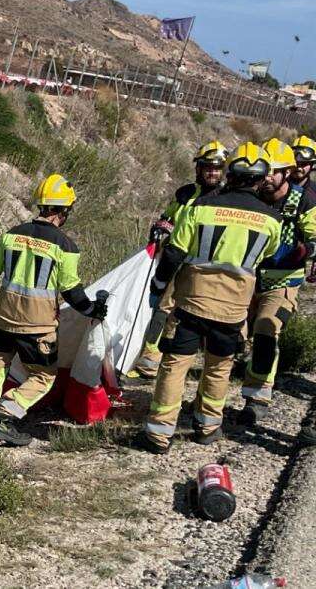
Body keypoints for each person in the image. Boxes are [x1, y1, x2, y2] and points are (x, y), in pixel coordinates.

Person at [139, 143, 282, 454]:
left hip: (191, 302)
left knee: (175, 365)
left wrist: (159, 284)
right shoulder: (272, 220)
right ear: (260, 180)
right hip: (233, 310)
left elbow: (175, 252)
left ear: (229, 174)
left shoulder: (201, 207)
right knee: (219, 368)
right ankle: (208, 426)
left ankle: (158, 433)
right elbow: (268, 256)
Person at [0, 174, 107, 447]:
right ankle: (6, 415)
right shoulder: (66, 246)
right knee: (43, 377)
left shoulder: (12, 234)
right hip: (37, 327)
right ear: (64, 211)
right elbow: (71, 291)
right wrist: (92, 309)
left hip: (4, 318)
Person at [126, 141, 228, 381]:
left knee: (187, 314)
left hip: (202, 266)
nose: (212, 172)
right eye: (207, 167)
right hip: (173, 259)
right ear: (199, 168)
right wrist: (161, 227)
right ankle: (151, 356)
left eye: (217, 168)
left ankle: (188, 363)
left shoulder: (224, 199)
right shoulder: (185, 193)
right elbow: (169, 217)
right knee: (161, 307)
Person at [237, 139, 316, 425]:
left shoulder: (303, 199)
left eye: (275, 171)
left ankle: (257, 398)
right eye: (265, 171)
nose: (267, 177)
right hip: (247, 277)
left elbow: (314, 234)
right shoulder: (252, 196)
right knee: (232, 333)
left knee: (266, 330)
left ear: (287, 172)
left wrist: (308, 250)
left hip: (283, 280)